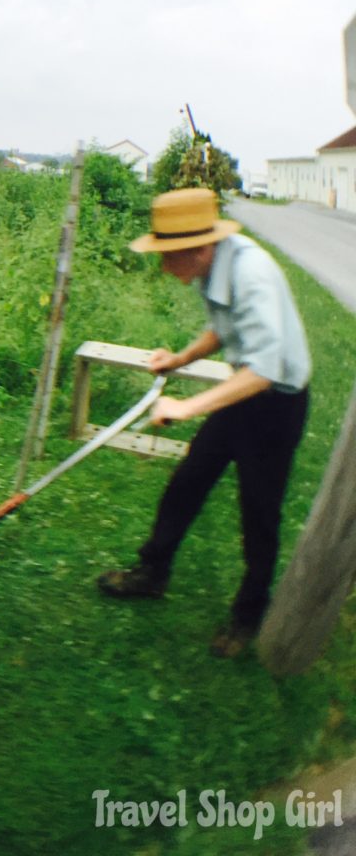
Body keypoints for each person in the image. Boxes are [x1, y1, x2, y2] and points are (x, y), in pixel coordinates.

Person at [97, 187, 311, 658]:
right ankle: (152, 573)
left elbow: (266, 370)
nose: (162, 266)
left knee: (259, 512)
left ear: (198, 247)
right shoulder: (211, 265)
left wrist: (186, 407)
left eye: (166, 256)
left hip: (277, 403)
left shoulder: (251, 273)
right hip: (244, 392)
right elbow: (223, 328)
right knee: (188, 481)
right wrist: (180, 358)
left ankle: (248, 614)